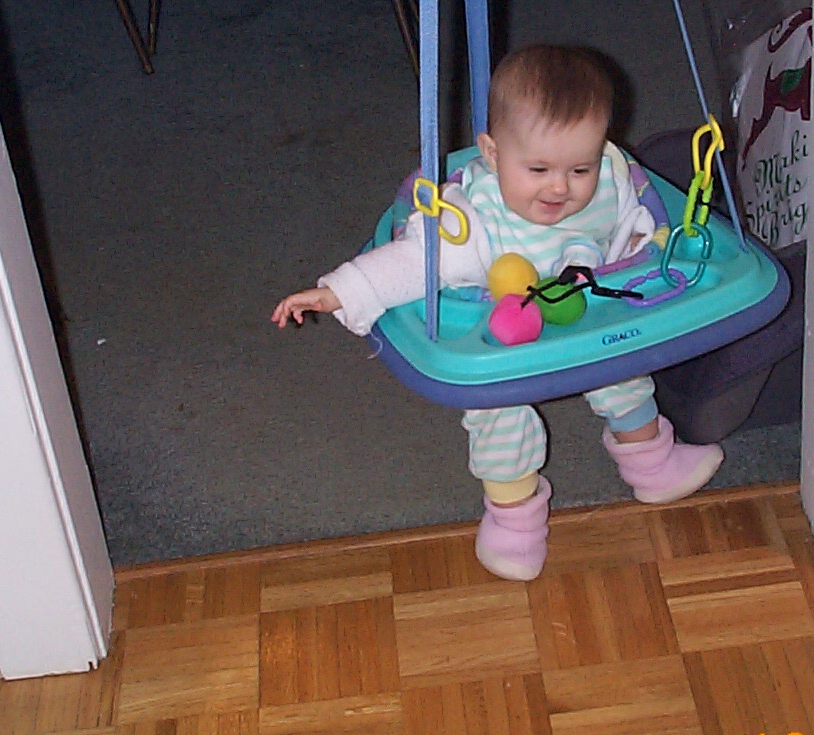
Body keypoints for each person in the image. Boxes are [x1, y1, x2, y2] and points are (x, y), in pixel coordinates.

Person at [273, 45, 723, 581]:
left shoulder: (609, 182)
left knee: (624, 366)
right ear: (491, 154)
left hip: (582, 309)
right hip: (500, 330)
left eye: (580, 168)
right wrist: (338, 291)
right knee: (498, 413)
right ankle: (514, 520)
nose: (560, 187)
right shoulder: (473, 219)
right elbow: (414, 262)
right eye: (538, 169)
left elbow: (637, 227)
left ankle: (652, 462)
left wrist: (639, 252)